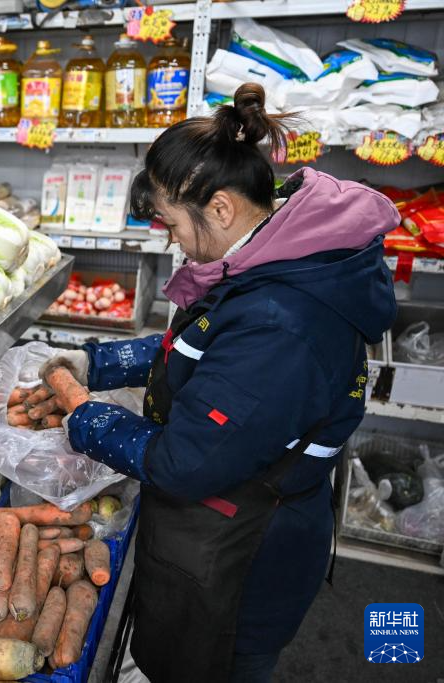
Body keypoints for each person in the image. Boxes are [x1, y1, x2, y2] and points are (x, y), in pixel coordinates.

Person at [41, 83, 398, 683]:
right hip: (219, 532)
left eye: (172, 223)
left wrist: (84, 415)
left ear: (222, 208)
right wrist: (92, 363)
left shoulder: (284, 323)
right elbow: (203, 346)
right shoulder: (264, 257)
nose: (172, 239)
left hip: (243, 563)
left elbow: (183, 461)